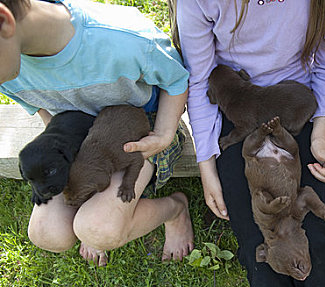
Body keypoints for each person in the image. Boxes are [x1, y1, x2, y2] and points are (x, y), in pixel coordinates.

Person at [175, 0, 325, 287]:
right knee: (262, 252)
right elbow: (199, 81)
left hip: (294, 107)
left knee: (317, 244)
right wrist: (207, 166)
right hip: (237, 116)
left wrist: (320, 132)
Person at [0, 0, 194, 266]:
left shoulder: (120, 38)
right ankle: (97, 213)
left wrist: (162, 134)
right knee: (47, 234)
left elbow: (176, 79)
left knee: (100, 229)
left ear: (4, 21)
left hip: (137, 129)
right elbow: (43, 108)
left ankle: (175, 209)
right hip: (80, 138)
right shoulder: (8, 69)